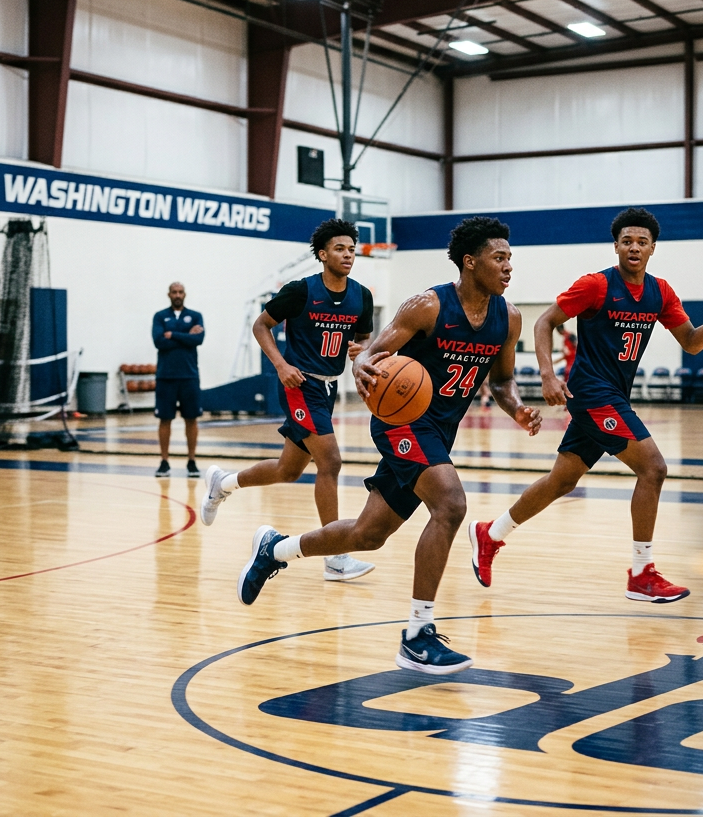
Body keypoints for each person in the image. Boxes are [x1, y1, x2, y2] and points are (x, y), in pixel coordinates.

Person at [237, 217, 541, 674]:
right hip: (402, 421)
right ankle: (418, 636)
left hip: (439, 431)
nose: (508, 266)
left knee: (368, 534)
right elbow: (372, 352)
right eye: (500, 258)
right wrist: (361, 366)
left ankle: (276, 549)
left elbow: (501, 382)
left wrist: (516, 408)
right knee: (451, 503)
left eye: (510, 258)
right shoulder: (428, 306)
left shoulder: (509, 317)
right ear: (470, 262)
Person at [469, 207, 703, 602]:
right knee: (654, 468)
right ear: (616, 246)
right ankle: (641, 573)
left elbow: (692, 342)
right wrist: (548, 374)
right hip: (593, 394)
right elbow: (544, 321)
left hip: (613, 395)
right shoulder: (596, 285)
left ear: (653, 249)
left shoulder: (660, 292)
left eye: (642, 242)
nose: (634, 247)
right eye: (627, 241)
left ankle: (490, 533)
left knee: (561, 481)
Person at [200, 219, 377, 582]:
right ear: (323, 254)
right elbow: (260, 325)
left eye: (351, 249)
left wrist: (362, 350)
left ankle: (224, 483)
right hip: (299, 385)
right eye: (340, 249)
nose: (348, 255)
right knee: (330, 462)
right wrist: (281, 365)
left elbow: (365, 338)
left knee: (289, 470)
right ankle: (335, 556)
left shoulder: (362, 295)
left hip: (327, 389)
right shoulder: (300, 291)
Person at [152, 281, 204, 478]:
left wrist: (172, 334)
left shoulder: (196, 315)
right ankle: (164, 462)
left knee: (191, 419)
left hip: (189, 376)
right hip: (166, 376)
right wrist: (185, 335)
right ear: (168, 294)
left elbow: (198, 340)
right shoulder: (159, 316)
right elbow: (159, 342)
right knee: (165, 419)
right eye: (174, 292)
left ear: (185, 294)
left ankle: (191, 461)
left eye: (180, 292)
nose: (177, 295)